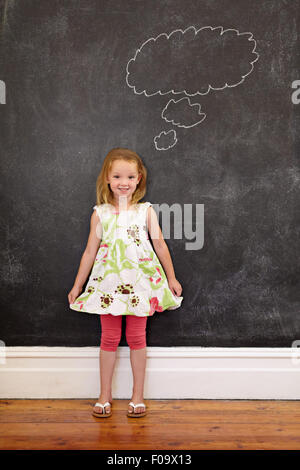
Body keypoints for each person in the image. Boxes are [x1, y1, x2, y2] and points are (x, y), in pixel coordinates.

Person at [68, 148, 183, 418]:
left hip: (140, 285)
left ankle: (137, 395)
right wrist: (77, 286)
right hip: (109, 287)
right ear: (107, 178)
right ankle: (104, 395)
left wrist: (171, 277)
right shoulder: (101, 213)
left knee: (136, 338)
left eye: (130, 176)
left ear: (139, 179)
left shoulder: (145, 212)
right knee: (108, 338)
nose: (124, 181)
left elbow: (159, 245)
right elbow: (89, 252)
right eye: (118, 175)